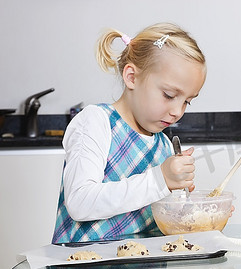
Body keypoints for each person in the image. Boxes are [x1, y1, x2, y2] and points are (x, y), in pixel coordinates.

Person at [52, 23, 206, 244]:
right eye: (169, 95)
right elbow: (79, 202)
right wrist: (160, 179)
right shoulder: (96, 122)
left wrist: (189, 210)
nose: (177, 112)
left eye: (187, 102)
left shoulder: (163, 145)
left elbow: (152, 216)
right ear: (132, 77)